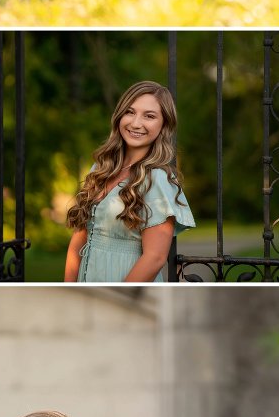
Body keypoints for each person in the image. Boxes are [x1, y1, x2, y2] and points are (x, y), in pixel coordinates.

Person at [64, 81, 194, 283]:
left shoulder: (157, 179)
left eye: (149, 116)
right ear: (119, 117)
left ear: (164, 125)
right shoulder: (100, 170)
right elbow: (78, 240)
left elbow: (155, 258)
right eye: (130, 112)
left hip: (128, 292)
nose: (135, 123)